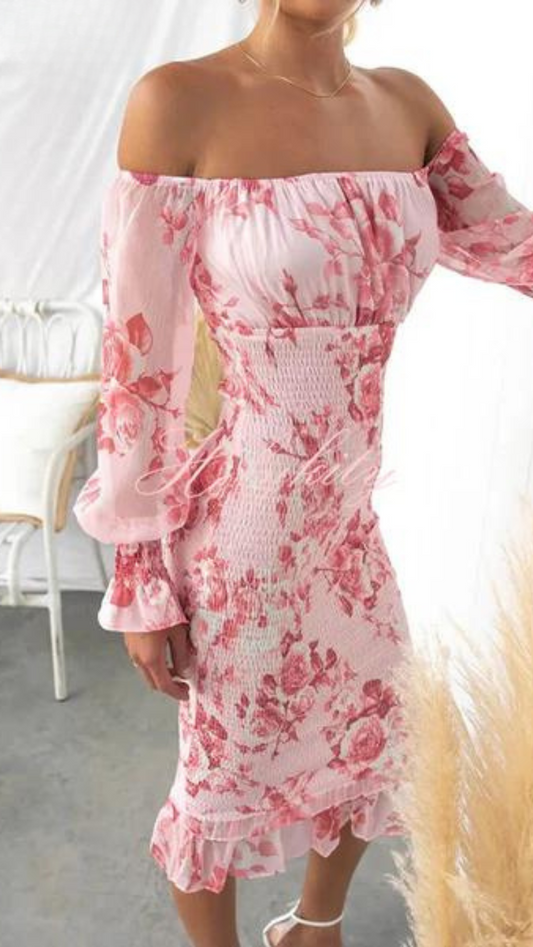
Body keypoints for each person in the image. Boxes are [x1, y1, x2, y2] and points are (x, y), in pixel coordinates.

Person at [73, 1, 533, 945]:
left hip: (350, 524)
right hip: (245, 528)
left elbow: (514, 247)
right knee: (218, 785)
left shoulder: (407, 105)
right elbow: (139, 362)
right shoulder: (178, 100)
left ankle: (314, 927)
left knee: (376, 740)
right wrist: (141, 572)